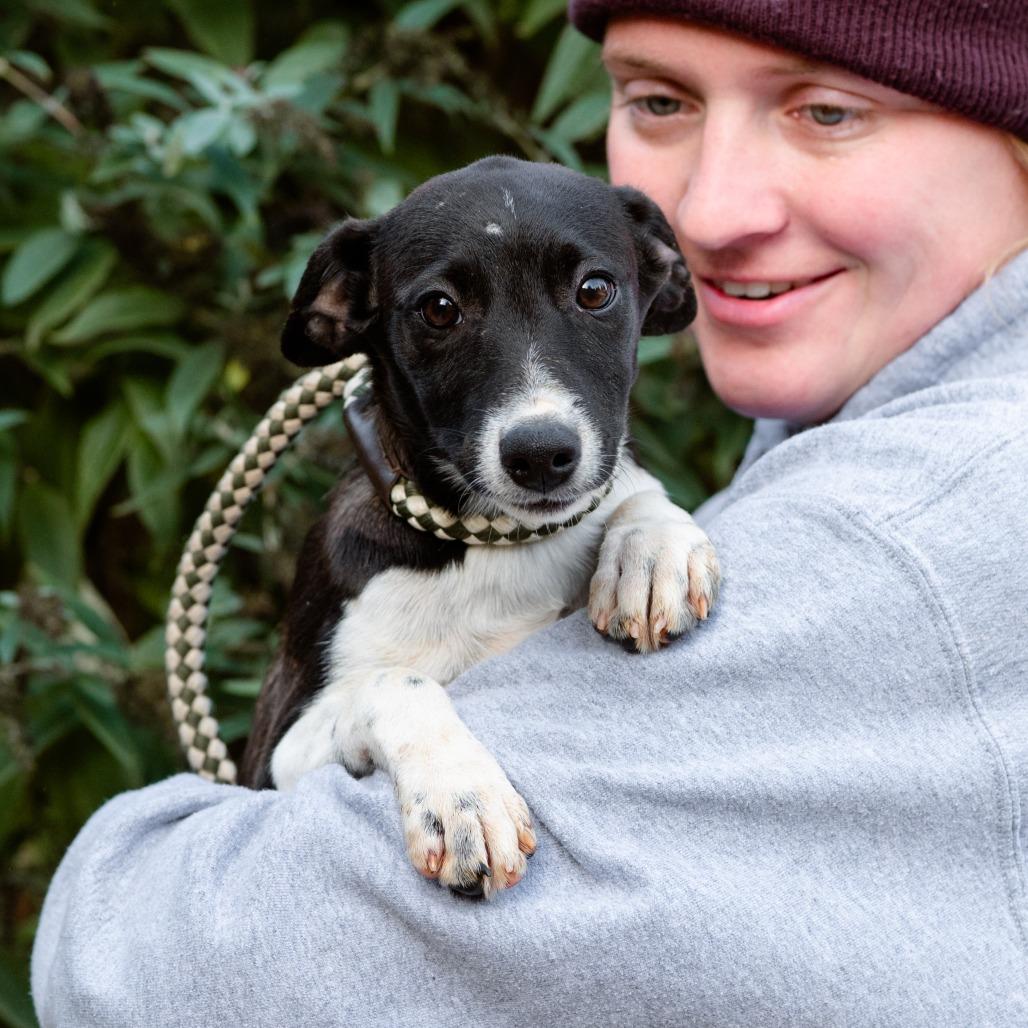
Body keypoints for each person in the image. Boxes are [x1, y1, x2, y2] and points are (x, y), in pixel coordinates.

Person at [31, 2, 1028, 1025]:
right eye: (655, 97)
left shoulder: (898, 537)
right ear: (351, 318)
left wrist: (122, 867)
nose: (714, 213)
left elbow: (148, 971)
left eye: (826, 109)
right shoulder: (822, 441)